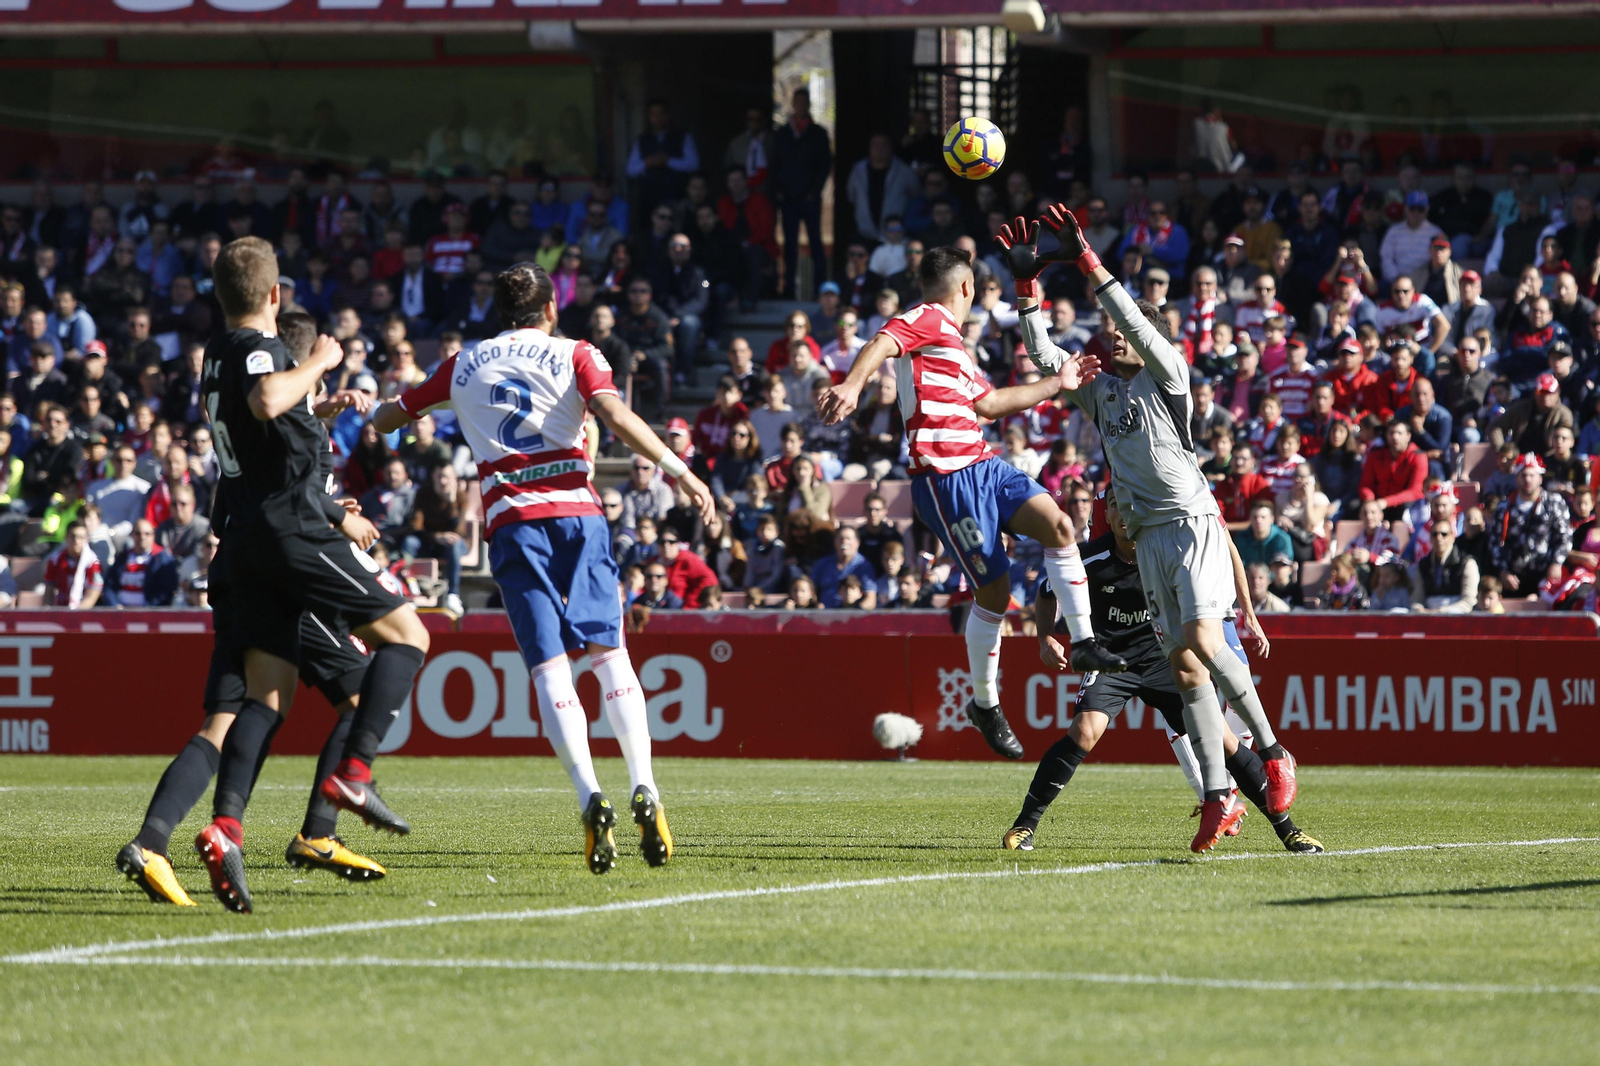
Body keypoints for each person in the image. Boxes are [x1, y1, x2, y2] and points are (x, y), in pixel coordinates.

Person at [374, 261, 715, 875]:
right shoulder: (577, 353)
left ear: (497, 312)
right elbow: (615, 417)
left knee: (549, 666)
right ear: (551, 309)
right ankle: (645, 786)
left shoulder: (462, 364)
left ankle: (589, 796)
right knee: (609, 654)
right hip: (577, 517)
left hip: (513, 524)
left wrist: (382, 412)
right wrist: (681, 472)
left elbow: (389, 419)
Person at [1003, 205, 1299, 852]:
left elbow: (1135, 319)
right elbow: (1045, 356)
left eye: (1121, 330)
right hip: (1150, 539)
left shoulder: (1169, 379)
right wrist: (1027, 291)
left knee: (1202, 640)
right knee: (1187, 669)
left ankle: (1275, 751)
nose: (1111, 336)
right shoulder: (1101, 392)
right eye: (1108, 330)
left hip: (1190, 522)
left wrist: (1087, 259)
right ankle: (1217, 797)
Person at [192, 238, 430, 913]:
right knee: (409, 637)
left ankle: (226, 827)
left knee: (267, 699)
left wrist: (315, 411)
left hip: (247, 542)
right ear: (274, 295)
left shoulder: (215, 353)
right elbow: (269, 397)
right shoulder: (261, 350)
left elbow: (263, 424)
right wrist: (322, 360)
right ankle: (354, 774)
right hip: (290, 532)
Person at [819, 244, 1126, 766]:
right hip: (946, 480)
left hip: (984, 465)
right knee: (995, 592)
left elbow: (989, 404)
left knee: (1059, 526)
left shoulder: (953, 349)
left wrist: (1058, 383)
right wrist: (851, 384)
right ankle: (985, 705)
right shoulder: (930, 318)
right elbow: (883, 339)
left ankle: (1084, 640)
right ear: (965, 287)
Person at [1002, 494, 1321, 855]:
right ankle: (1024, 824)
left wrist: (1236, 613)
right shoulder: (1089, 557)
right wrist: (1045, 638)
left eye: (1130, 504)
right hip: (1111, 660)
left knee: (1224, 740)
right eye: (1115, 506)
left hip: (1164, 659)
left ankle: (1289, 831)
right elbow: (1047, 591)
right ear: (1107, 514)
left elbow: (1219, 557)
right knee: (1085, 731)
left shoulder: (1166, 553)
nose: (1124, 513)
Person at [1490, 453, 1572, 596]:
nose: (1527, 479)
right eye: (1523, 475)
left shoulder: (1554, 503)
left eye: (1531, 475)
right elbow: (1495, 542)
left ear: (1540, 479)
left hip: (1545, 574)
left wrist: (1556, 563)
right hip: (1513, 577)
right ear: (1517, 478)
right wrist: (1503, 571)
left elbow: (1564, 537)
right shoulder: (1504, 507)